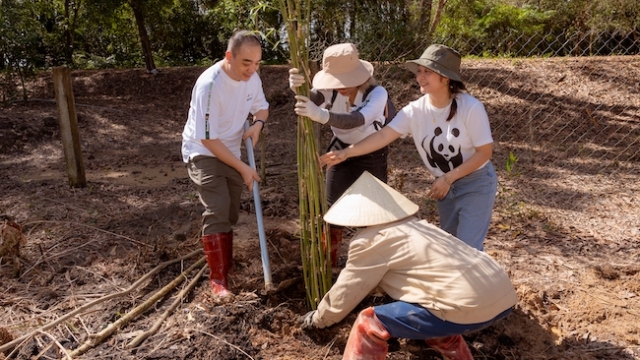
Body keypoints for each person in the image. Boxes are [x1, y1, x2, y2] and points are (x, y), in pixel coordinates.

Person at [299, 171, 518, 360]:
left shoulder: (371, 240)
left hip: (465, 307)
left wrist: (319, 319)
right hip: (502, 296)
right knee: (438, 305)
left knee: (368, 323)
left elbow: (347, 291)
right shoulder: (417, 226)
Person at [320, 44, 497, 251]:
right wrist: (346, 152)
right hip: (444, 185)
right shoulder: (415, 110)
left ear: (445, 78)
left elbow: (485, 153)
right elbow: (384, 135)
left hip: (475, 183)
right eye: (419, 71)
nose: (420, 77)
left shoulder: (470, 108)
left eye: (427, 72)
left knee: (468, 248)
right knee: (452, 246)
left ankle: (483, 282)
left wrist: (448, 178)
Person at [181, 30, 269, 299]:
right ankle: (219, 280)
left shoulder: (252, 78)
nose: (252, 69)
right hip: (203, 151)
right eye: (246, 63)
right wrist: (243, 168)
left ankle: (221, 257)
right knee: (218, 208)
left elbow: (262, 107)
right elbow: (207, 139)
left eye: (257, 63)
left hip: (230, 150)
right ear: (229, 56)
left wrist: (257, 125)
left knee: (230, 213)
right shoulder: (210, 85)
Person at [289, 42, 391, 266]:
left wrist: (321, 115)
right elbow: (308, 100)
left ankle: (369, 264)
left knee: (372, 213)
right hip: (339, 149)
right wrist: (298, 88)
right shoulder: (329, 92)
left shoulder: (377, 93)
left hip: (372, 153)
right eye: (336, 81)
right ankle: (329, 261)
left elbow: (354, 121)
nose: (341, 86)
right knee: (333, 207)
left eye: (347, 80)